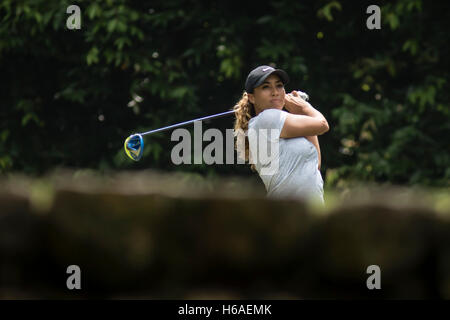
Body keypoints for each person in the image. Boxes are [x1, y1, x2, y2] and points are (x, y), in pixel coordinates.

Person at [233, 65, 329, 205]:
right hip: (290, 213)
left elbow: (315, 165)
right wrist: (305, 108)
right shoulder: (267, 119)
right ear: (252, 98)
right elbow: (322, 125)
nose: (275, 92)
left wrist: (300, 111)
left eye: (279, 86)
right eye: (266, 87)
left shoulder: (273, 124)